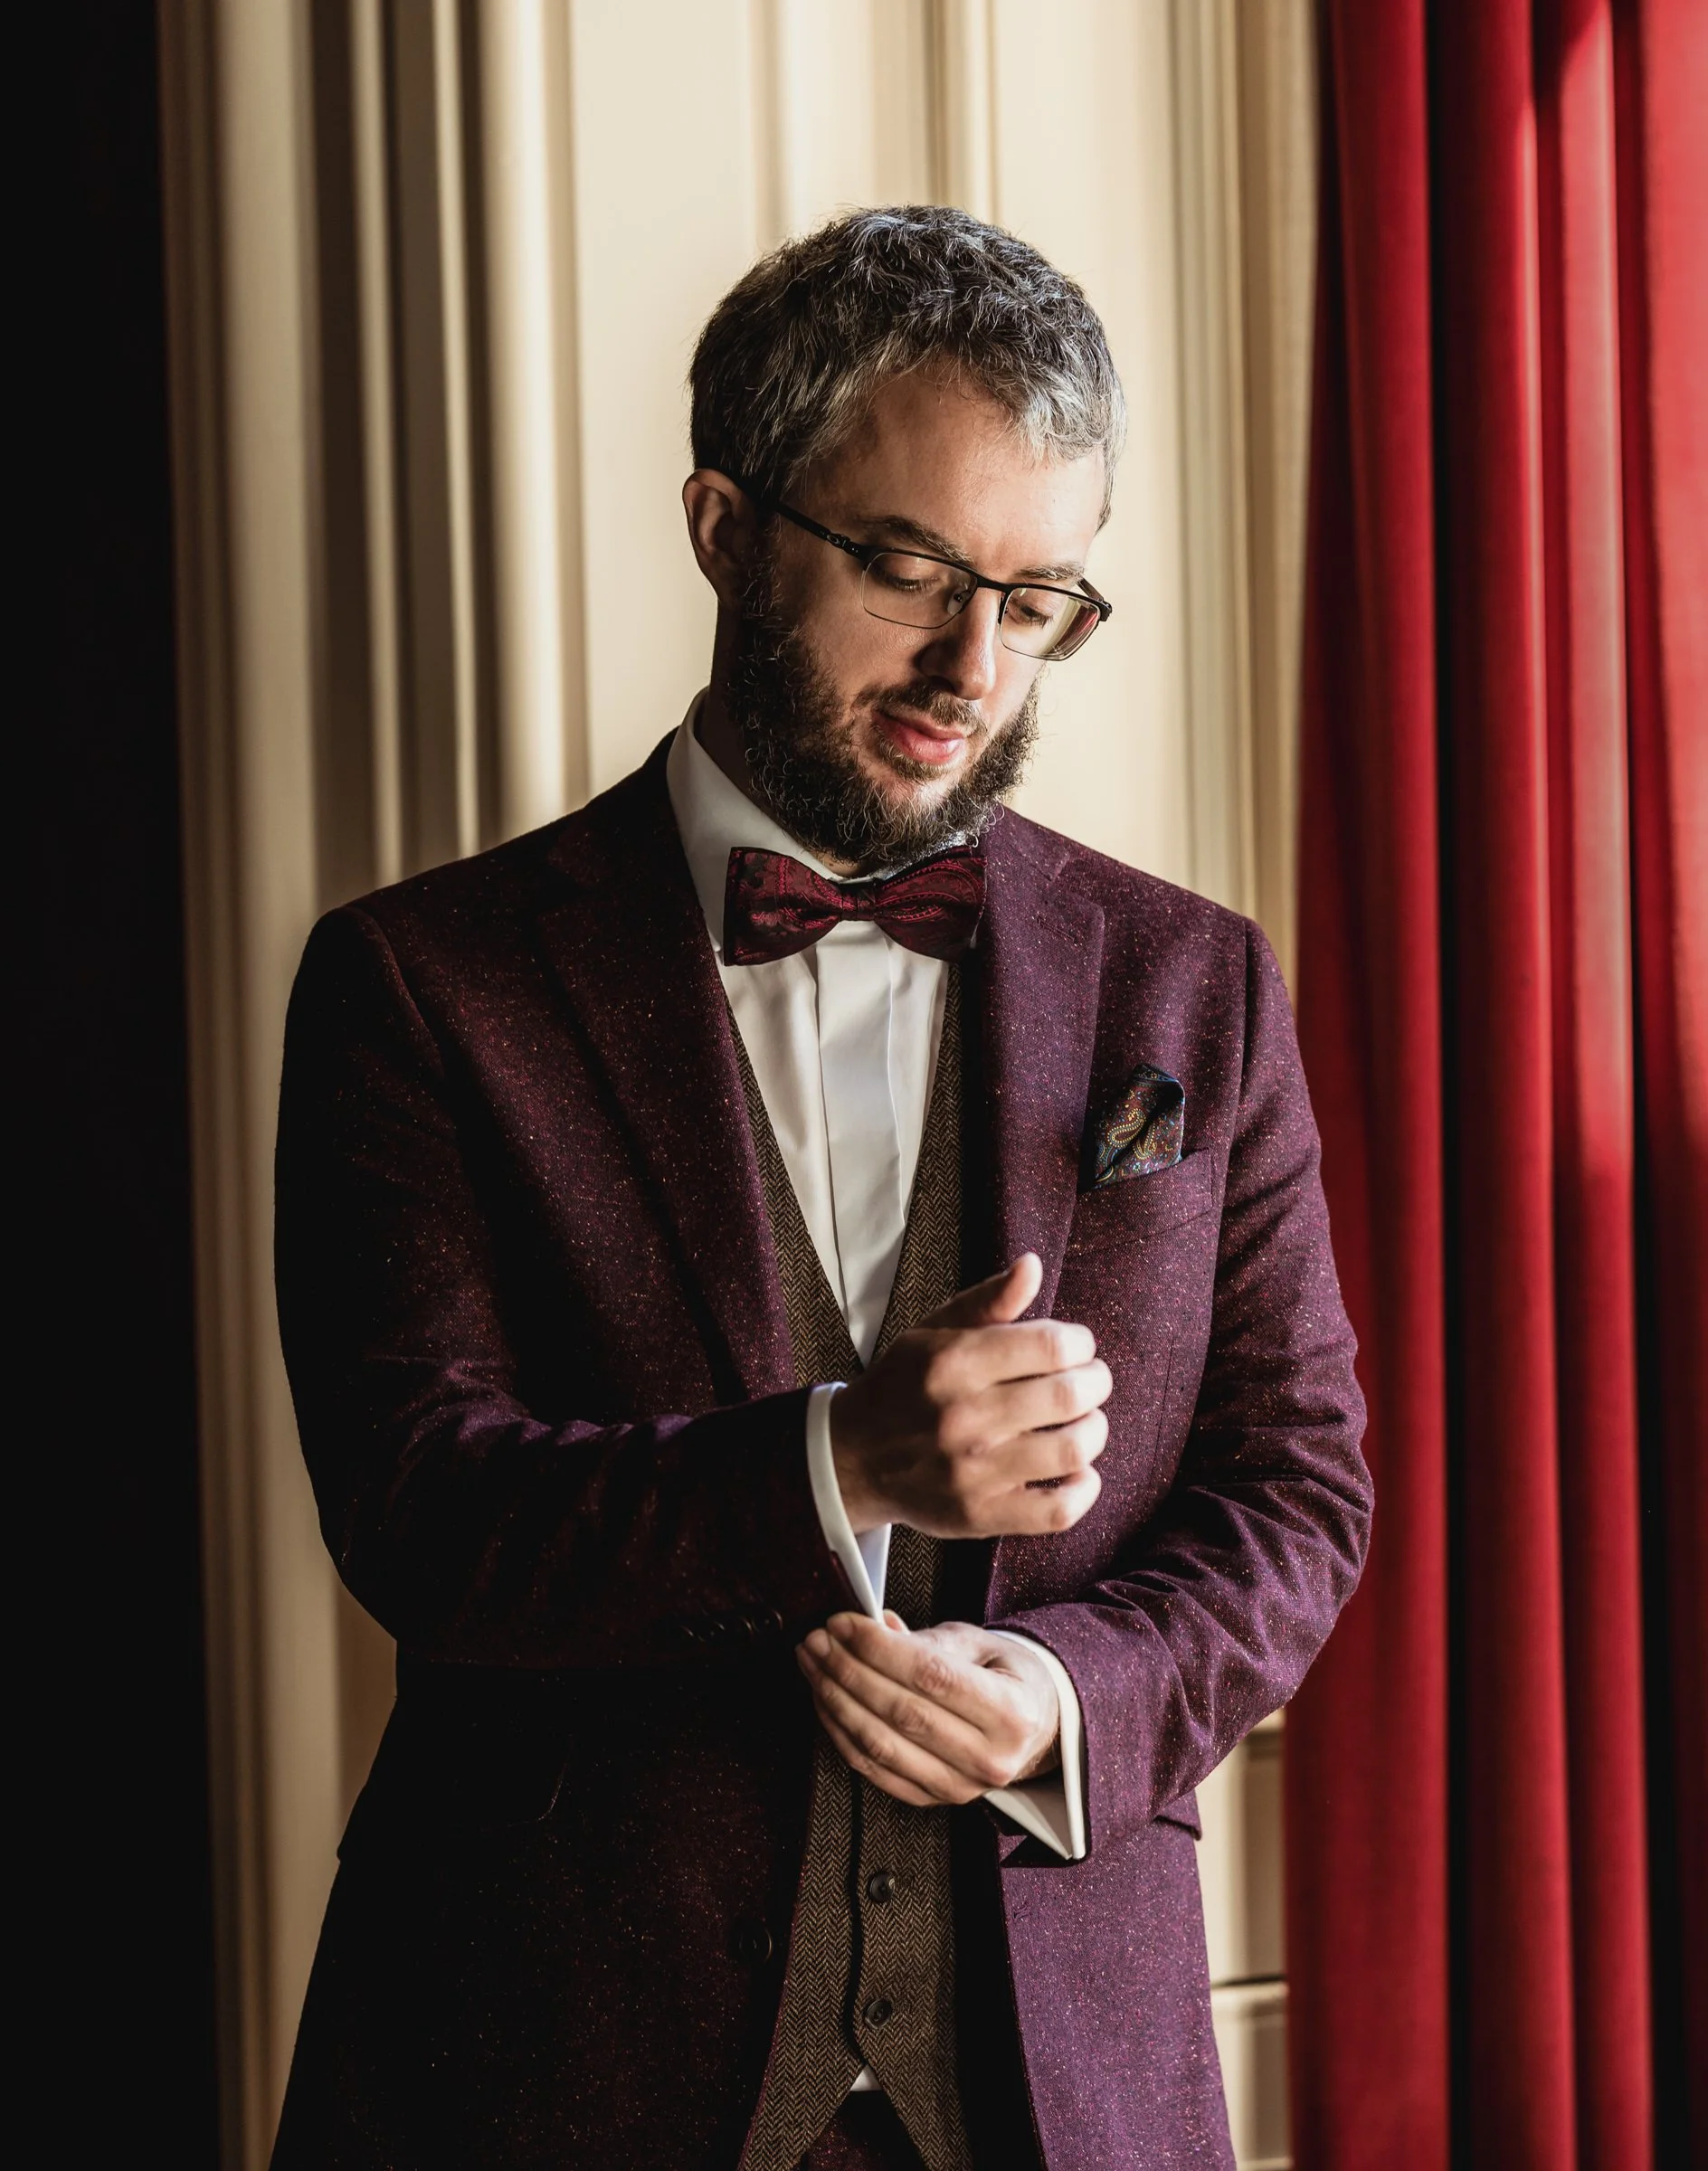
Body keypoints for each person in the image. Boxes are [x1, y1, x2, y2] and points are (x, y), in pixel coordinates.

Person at [270, 205, 1371, 2171]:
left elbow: (1299, 1490)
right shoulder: (420, 985)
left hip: (1068, 2086)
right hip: (552, 2065)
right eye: (910, 571)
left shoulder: (1193, 981)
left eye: (1038, 598)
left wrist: (1065, 1698)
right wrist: (842, 1459)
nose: (974, 667)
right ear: (724, 527)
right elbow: (422, 1513)